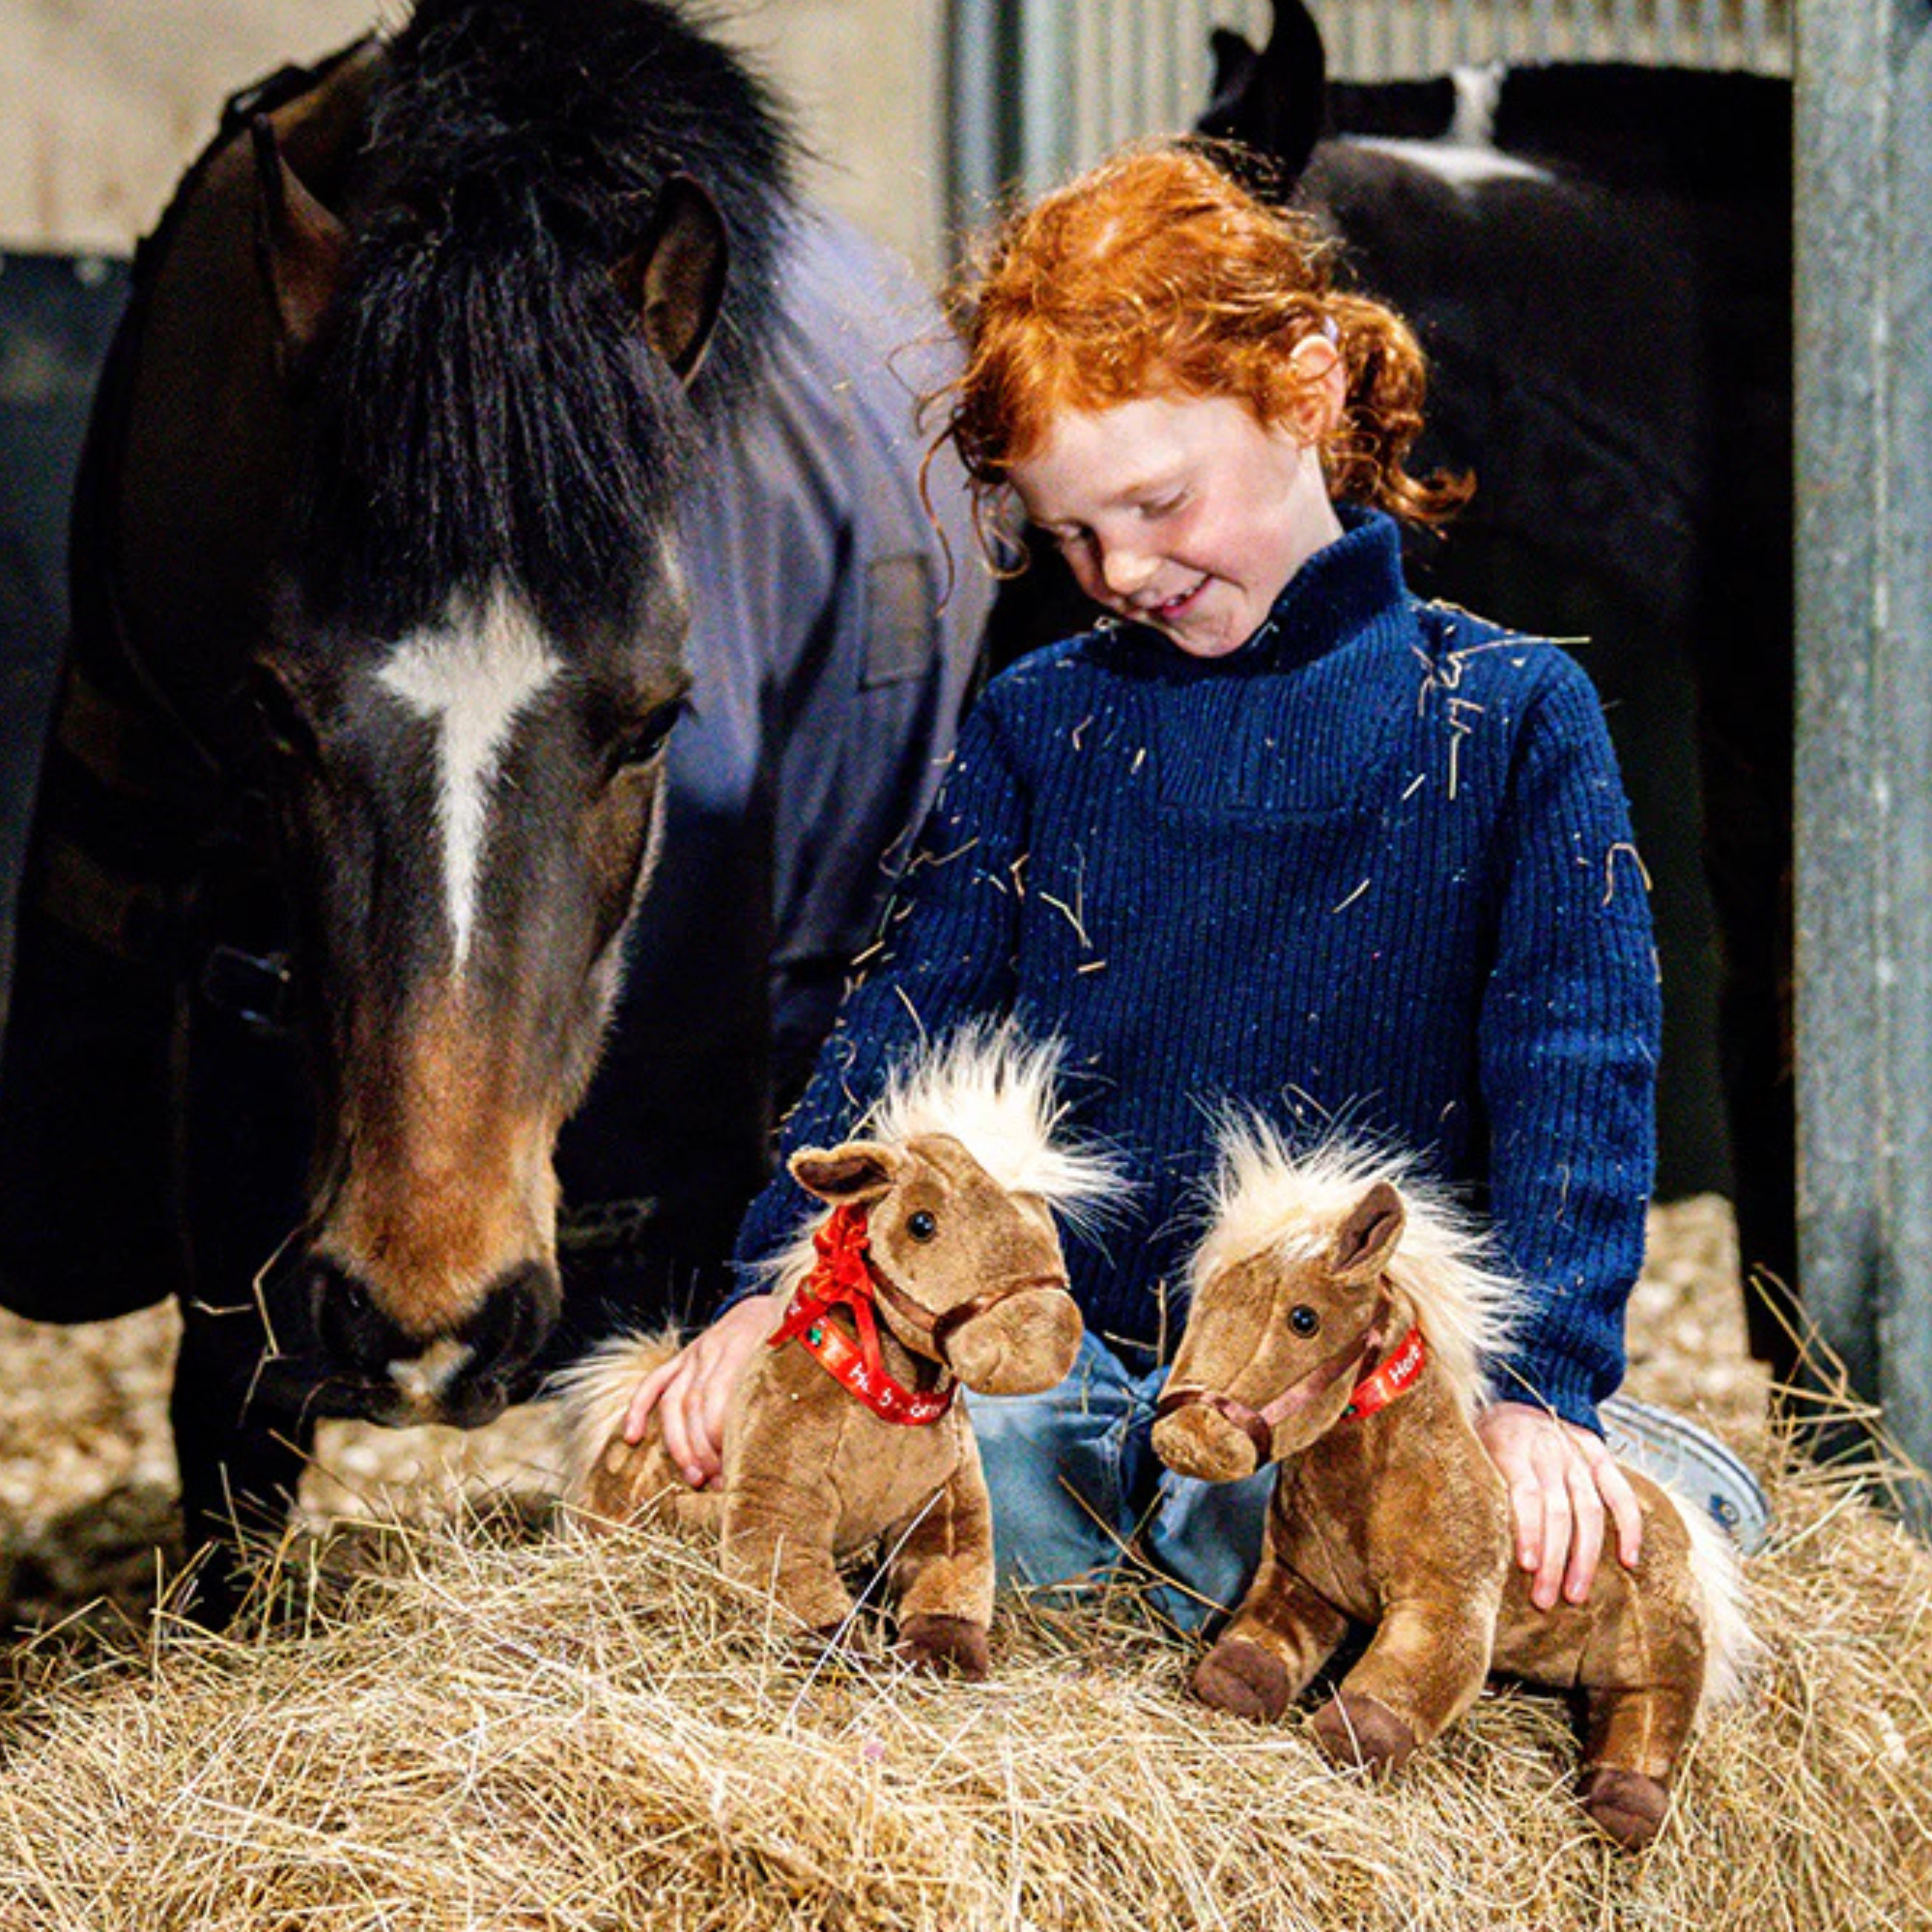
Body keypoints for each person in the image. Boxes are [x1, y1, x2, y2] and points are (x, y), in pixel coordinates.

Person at [616, 141, 1767, 1629]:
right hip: (1062, 1369)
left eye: (1157, 503)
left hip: (1325, 1392)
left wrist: (1543, 1396)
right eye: (1074, 532)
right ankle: (1115, 1540)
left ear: (1306, 388)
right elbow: (906, 1027)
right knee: (786, 1492)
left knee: (1535, 1560)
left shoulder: (1510, 716)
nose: (1121, 567)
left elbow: (1574, 1077)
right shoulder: (1043, 719)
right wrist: (779, 1292)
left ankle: (1586, 1487)